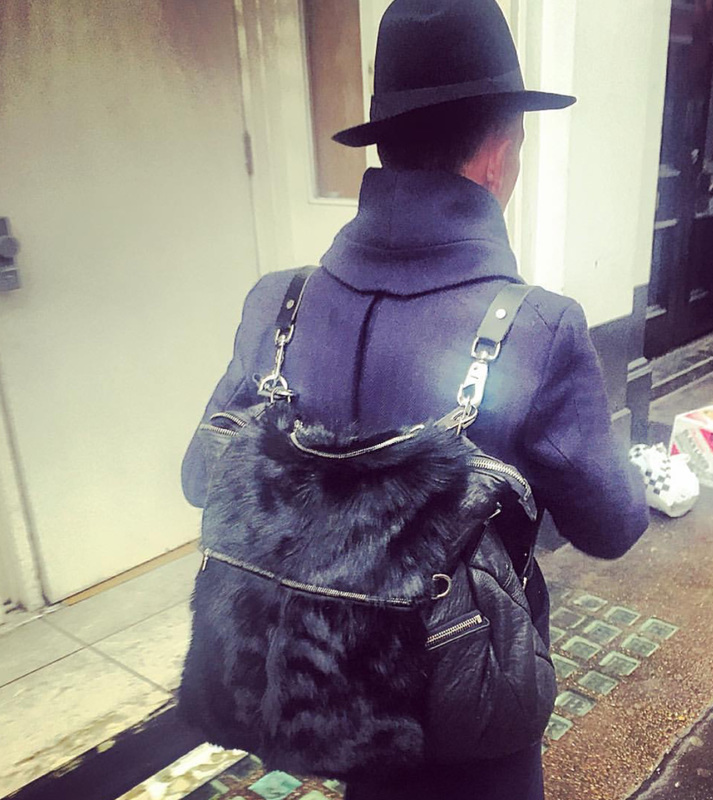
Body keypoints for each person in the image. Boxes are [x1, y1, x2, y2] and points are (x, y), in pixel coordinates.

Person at [182, 1, 649, 798]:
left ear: (384, 145)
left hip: (329, 704)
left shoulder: (278, 305)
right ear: (498, 152)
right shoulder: (538, 329)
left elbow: (200, 480)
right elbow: (613, 528)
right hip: (470, 721)